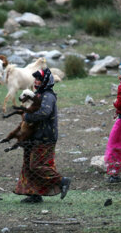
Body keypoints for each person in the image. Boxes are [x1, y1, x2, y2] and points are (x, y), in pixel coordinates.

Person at [13, 68, 71, 203]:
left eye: (39, 79)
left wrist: (28, 116)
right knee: (28, 165)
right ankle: (34, 194)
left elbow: (45, 112)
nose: (36, 81)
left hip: (45, 137)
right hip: (34, 136)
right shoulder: (38, 94)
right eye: (35, 79)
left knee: (37, 166)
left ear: (46, 81)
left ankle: (62, 181)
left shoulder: (48, 96)